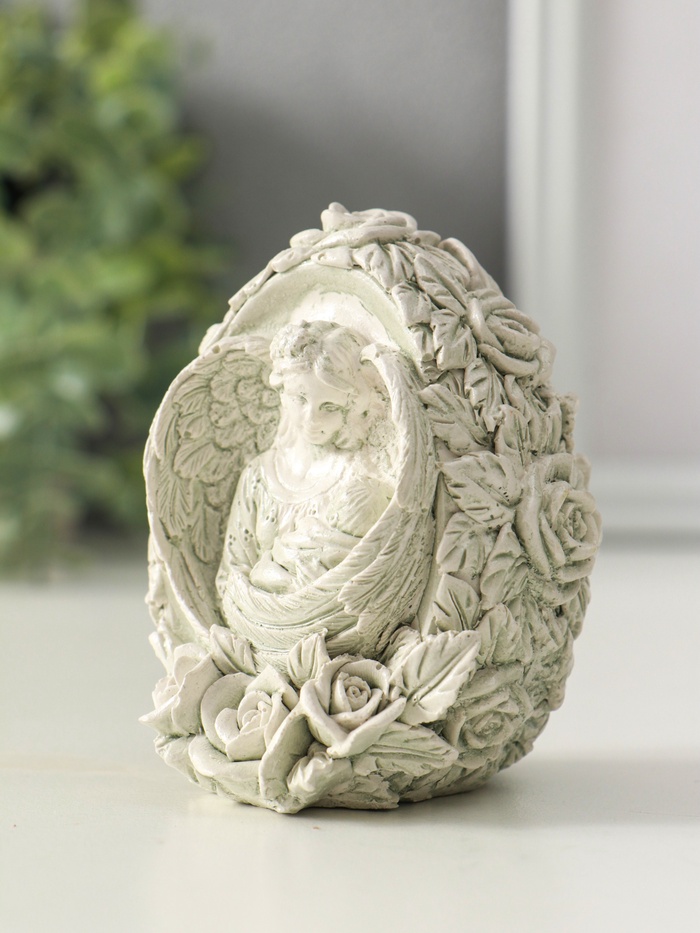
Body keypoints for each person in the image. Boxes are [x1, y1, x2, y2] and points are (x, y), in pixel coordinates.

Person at [216, 320, 394, 602]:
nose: (311, 419)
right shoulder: (259, 476)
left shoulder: (360, 482)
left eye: (329, 407)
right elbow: (229, 579)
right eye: (300, 399)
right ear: (282, 392)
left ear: (351, 408)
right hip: (256, 614)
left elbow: (364, 583)